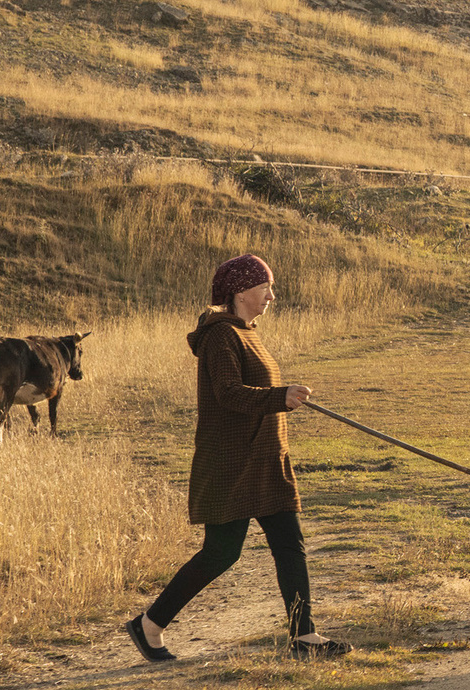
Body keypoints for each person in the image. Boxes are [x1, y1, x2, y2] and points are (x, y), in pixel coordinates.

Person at [125, 254, 350, 662]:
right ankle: (150, 624)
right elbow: (228, 393)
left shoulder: (247, 333)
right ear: (241, 292)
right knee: (221, 552)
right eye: (265, 288)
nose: (271, 297)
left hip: (265, 461)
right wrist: (279, 397)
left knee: (290, 544)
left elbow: (253, 391)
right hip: (232, 464)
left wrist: (283, 397)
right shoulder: (220, 337)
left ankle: (304, 636)